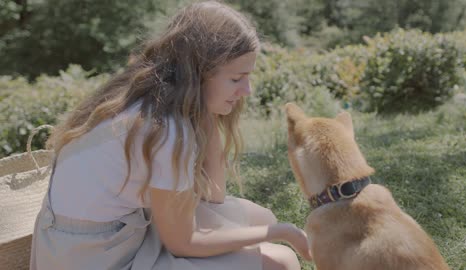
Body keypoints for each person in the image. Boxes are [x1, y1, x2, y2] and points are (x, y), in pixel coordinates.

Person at [30, 1, 311, 269]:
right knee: (281, 260)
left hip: (81, 239)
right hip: (96, 258)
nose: (247, 90)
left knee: (261, 217)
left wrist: (208, 114)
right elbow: (183, 243)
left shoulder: (147, 94)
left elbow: (214, 195)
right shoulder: (166, 129)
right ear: (197, 74)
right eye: (237, 79)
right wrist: (280, 232)